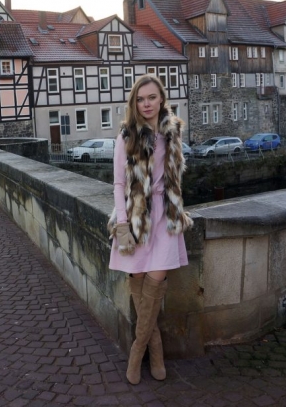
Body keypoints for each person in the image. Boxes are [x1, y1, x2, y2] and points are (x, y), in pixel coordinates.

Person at [107, 74, 193, 385]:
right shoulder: (126, 135)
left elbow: (175, 178)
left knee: (154, 289)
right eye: (141, 99)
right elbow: (118, 184)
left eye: (152, 97)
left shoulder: (172, 133)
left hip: (165, 219)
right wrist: (121, 226)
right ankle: (153, 351)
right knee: (143, 293)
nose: (146, 104)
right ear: (135, 102)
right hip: (136, 218)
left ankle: (136, 352)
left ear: (161, 99)